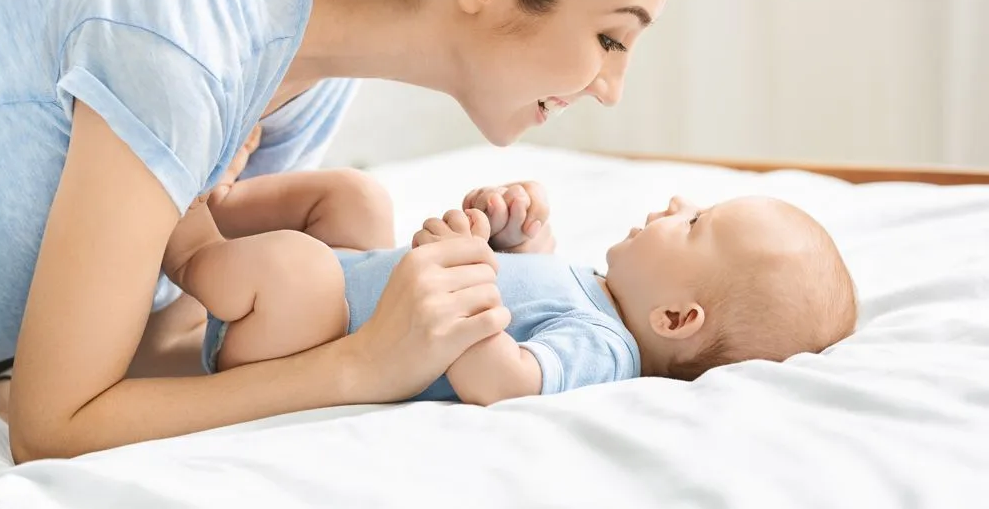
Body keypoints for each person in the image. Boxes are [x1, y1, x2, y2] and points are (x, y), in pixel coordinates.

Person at [0, 0, 695, 461]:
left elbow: (183, 327)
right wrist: (362, 364)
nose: (610, 89)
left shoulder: (307, 77)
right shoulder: (189, 26)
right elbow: (53, 427)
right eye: (611, 38)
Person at [177, 174, 858, 402]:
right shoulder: (596, 291)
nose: (678, 203)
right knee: (357, 196)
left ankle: (182, 235)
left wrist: (457, 268)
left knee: (295, 267)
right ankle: (224, 195)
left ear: (676, 317)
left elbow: (502, 381)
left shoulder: (607, 349)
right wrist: (511, 239)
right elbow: (527, 298)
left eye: (696, 223)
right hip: (350, 283)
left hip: (310, 335)